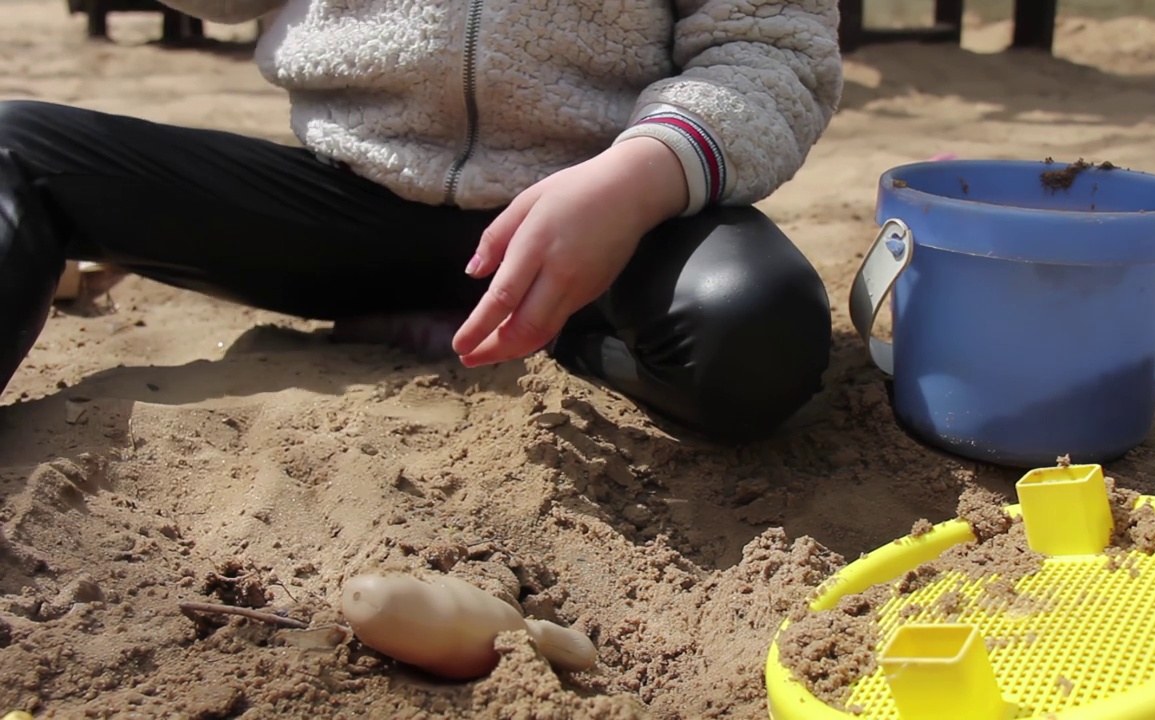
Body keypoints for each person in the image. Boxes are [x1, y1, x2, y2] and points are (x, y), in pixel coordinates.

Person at [0, 0, 842, 444]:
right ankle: (427, 310)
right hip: (343, 201)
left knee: (755, 338)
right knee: (17, 151)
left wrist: (635, 177)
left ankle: (539, 335)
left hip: (600, 221)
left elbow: (774, 48)